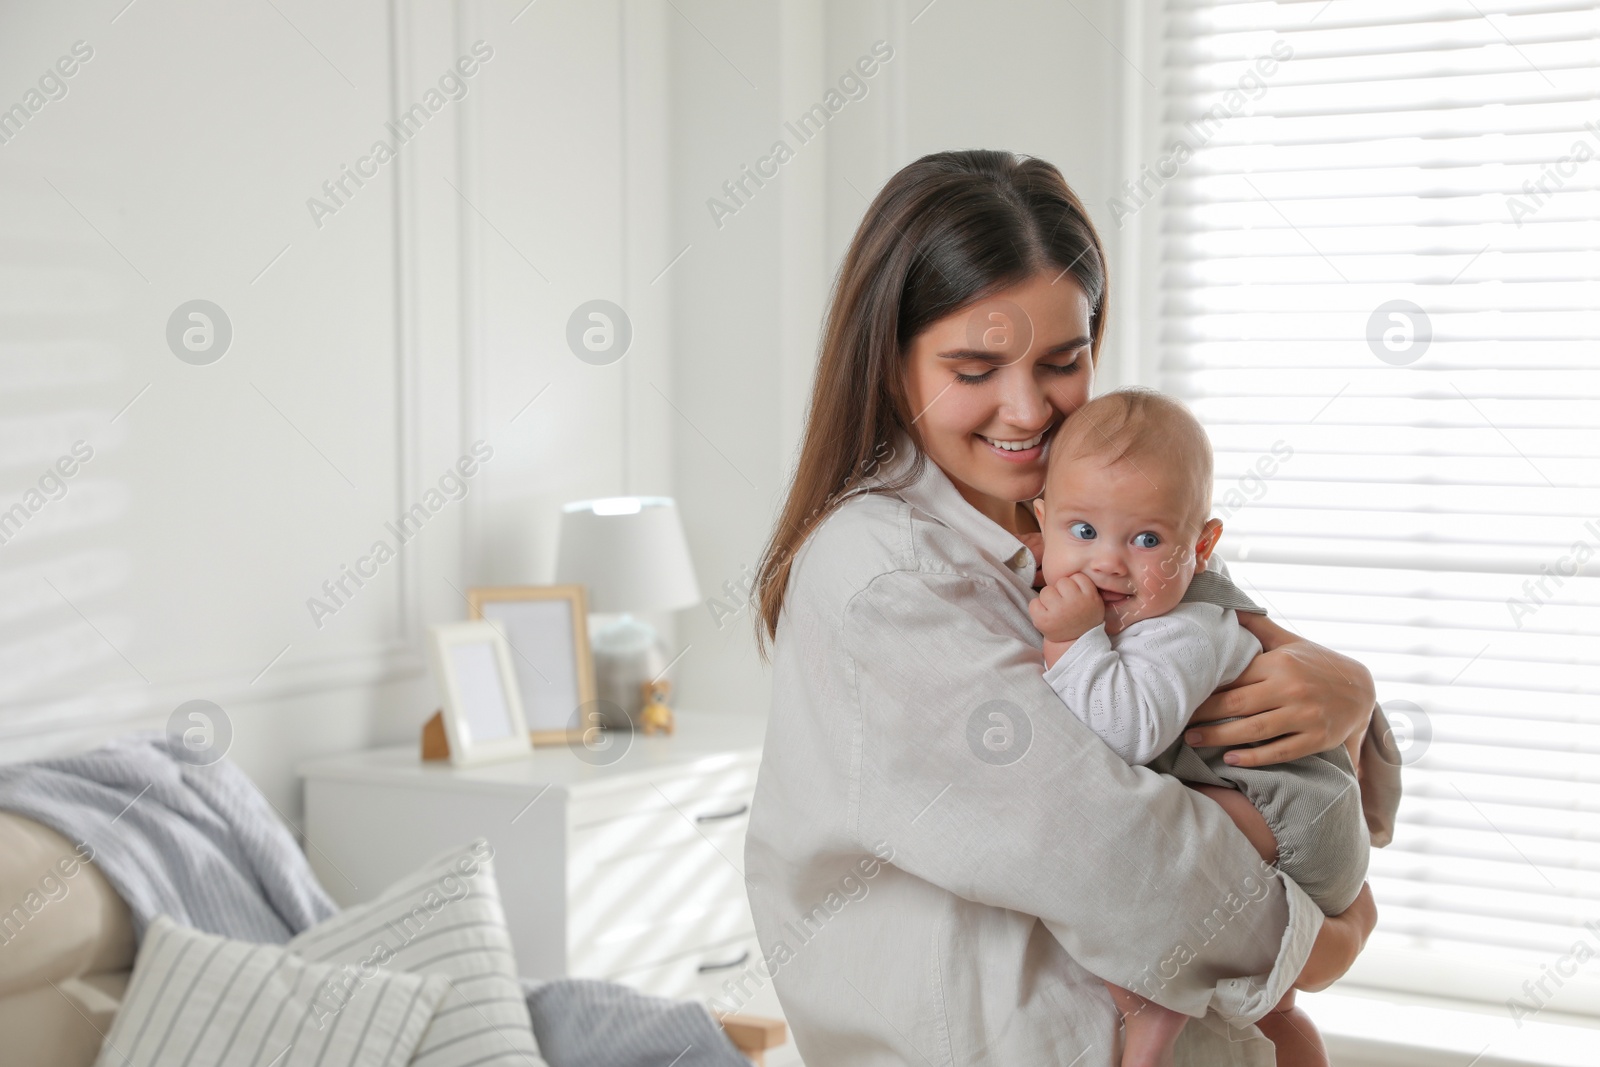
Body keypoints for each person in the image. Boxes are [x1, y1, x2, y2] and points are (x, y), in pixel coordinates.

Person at [745, 149, 1396, 1065]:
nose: (1026, 409)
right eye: (973, 368)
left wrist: (1352, 688)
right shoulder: (891, 581)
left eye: (1063, 359)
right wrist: (1322, 938)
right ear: (891, 366)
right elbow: (1118, 853)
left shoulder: (1090, 518)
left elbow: (1266, 719)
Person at [1027, 388, 1373, 1067]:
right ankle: (1289, 1040)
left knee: (1146, 848)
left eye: (1147, 538)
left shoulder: (1184, 630)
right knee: (1277, 1008)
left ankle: (1153, 1012)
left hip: (1295, 814)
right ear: (1041, 522)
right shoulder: (1152, 606)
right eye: (1082, 530)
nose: (1108, 562)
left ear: (1202, 546)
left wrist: (1071, 642)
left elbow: (1129, 733)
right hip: (1296, 813)